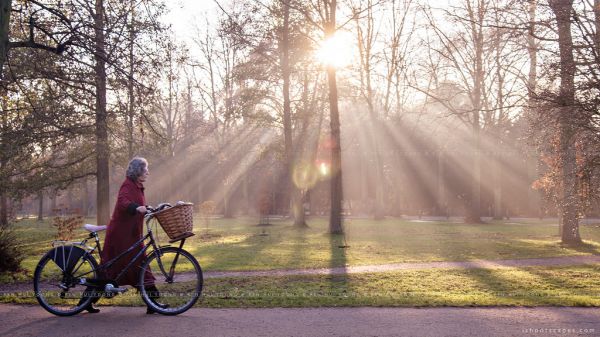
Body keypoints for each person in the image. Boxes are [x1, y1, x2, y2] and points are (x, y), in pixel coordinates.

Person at [81, 157, 165, 314]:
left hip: (131, 235)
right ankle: (152, 304)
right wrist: (136, 208)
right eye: (145, 169)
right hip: (121, 236)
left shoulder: (137, 186)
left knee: (138, 266)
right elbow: (122, 202)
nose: (148, 172)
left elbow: (137, 204)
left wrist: (146, 208)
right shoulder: (127, 185)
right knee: (112, 270)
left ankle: (152, 304)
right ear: (138, 171)